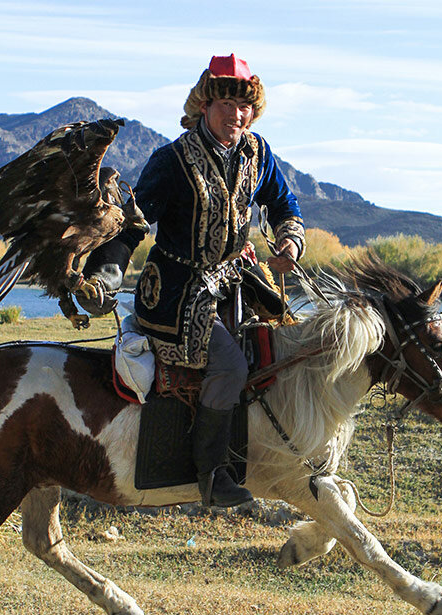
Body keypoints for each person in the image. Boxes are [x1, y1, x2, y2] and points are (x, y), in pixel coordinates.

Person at [79, 54, 305, 507]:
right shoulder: (173, 159)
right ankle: (211, 475)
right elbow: (133, 225)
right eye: (225, 103)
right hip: (177, 292)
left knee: (279, 351)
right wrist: (107, 275)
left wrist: (289, 244)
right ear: (204, 104)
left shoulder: (258, 153)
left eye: (244, 106)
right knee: (231, 365)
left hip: (236, 280)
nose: (235, 115)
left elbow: (285, 205)